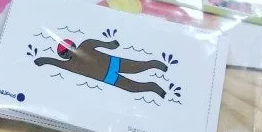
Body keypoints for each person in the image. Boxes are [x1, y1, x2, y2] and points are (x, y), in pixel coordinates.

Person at [34, 38, 168, 98]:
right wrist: (43, 61)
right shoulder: (69, 65)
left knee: (137, 67)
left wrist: (111, 45)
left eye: (68, 49)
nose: (67, 53)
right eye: (64, 53)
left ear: (73, 45)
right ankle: (153, 87)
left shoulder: (85, 45)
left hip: (113, 63)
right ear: (62, 55)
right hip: (107, 77)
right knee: (132, 87)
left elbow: (99, 43)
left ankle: (155, 64)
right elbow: (55, 62)